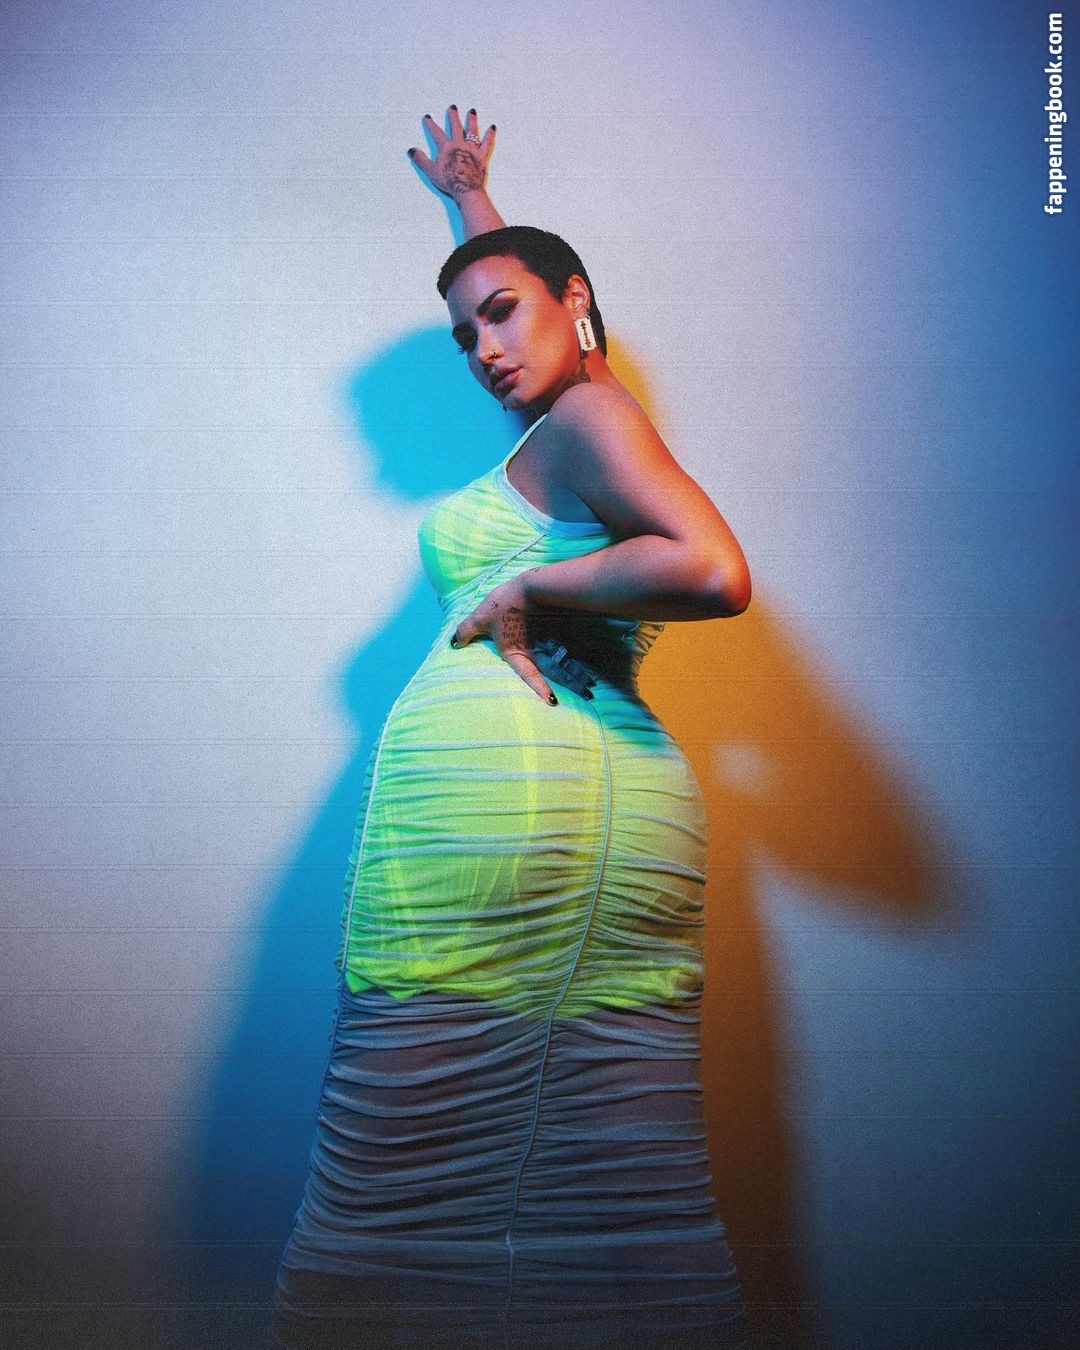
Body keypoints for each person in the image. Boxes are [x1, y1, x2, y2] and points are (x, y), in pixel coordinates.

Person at [269, 106, 753, 1350]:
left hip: (522, 830)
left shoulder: (590, 419)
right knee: (640, 1199)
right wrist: (472, 205)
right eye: (463, 333)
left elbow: (712, 570)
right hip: (610, 822)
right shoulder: (568, 432)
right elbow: (528, 302)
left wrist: (531, 586)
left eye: (503, 315)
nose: (484, 349)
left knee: (372, 1207)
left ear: (575, 300)